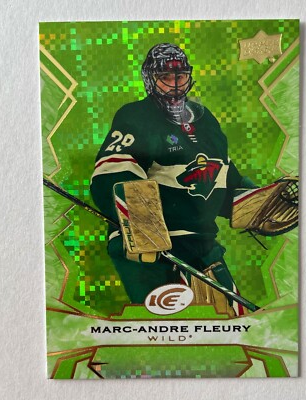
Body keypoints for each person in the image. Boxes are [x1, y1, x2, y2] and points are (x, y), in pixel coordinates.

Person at [90, 43, 257, 316]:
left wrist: (253, 201)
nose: (175, 84)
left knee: (230, 321)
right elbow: (112, 171)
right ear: (150, 79)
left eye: (180, 76)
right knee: (167, 325)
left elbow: (221, 176)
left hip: (202, 244)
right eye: (165, 77)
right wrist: (142, 224)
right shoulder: (136, 116)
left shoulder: (206, 120)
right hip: (149, 250)